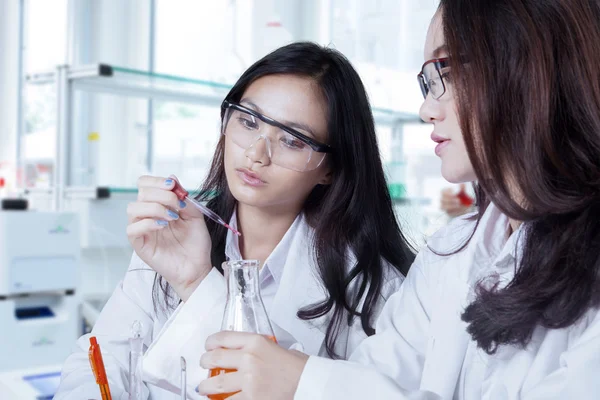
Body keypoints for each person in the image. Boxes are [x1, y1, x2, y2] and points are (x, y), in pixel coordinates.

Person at [197, 1, 600, 398]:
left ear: (532, 70)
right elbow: (373, 377)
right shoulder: (449, 255)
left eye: (446, 72)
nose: (427, 110)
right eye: (248, 121)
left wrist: (305, 382)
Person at [53, 42, 415, 399]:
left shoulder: (373, 290)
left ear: (330, 169)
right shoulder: (174, 232)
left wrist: (196, 283)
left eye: (293, 140)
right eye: (249, 121)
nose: (257, 154)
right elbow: (99, 361)